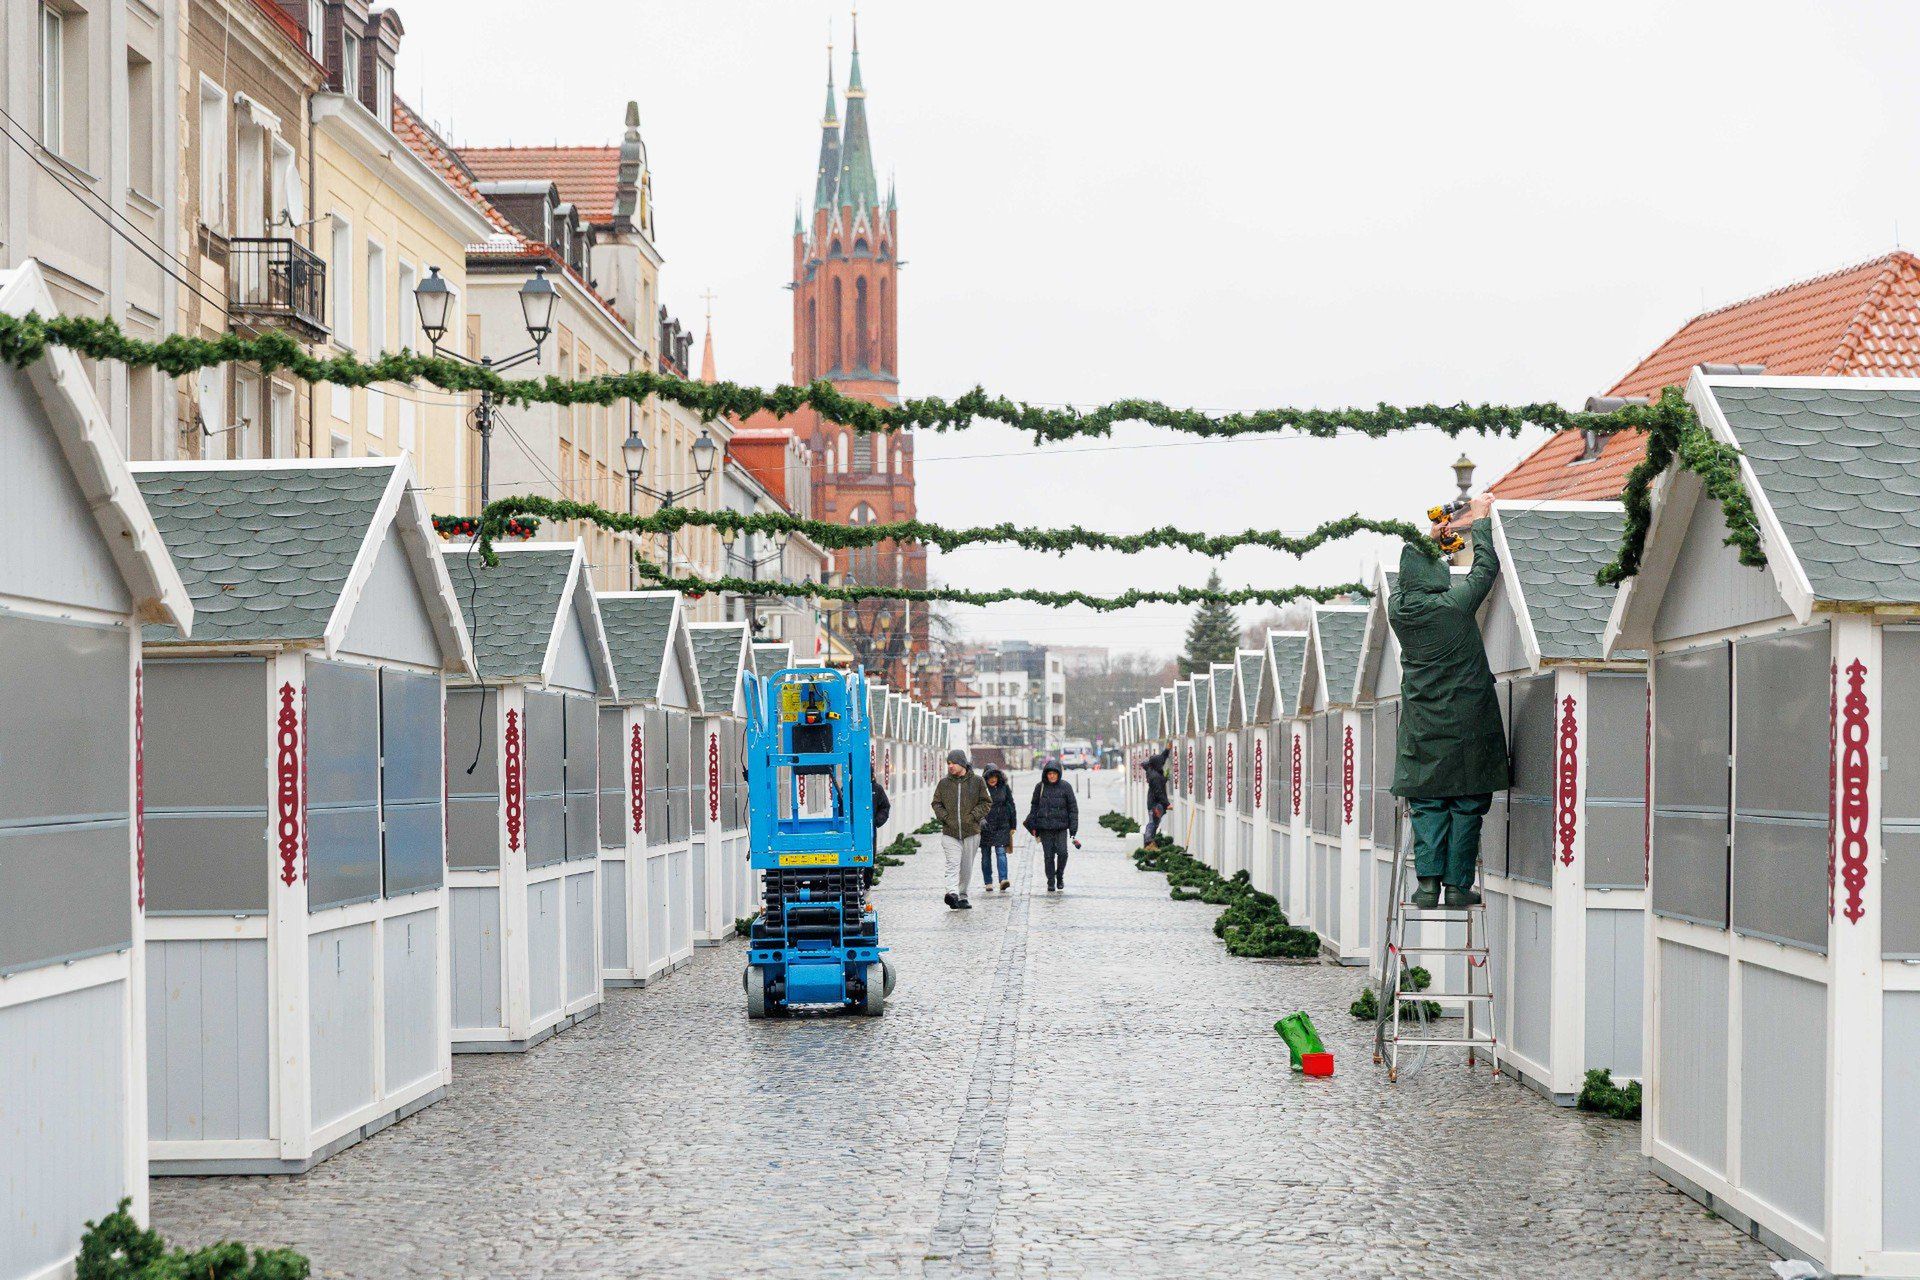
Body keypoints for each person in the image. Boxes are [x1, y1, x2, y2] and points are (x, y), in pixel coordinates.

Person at [1388, 494, 1508, 910]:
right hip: (1468, 723)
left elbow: (1408, 579)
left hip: (1422, 725)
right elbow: (1485, 569)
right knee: (1468, 803)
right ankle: (1457, 887)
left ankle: (1426, 887)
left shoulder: (1398, 611)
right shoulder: (1454, 606)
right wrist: (1482, 520)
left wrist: (1431, 540)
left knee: (1427, 803)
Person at [932, 748, 991, 910]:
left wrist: (973, 816)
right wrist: (945, 817)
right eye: (948, 763)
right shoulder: (944, 784)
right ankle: (952, 893)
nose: (950, 766)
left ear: (962, 764)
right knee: (952, 863)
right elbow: (936, 803)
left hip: (971, 832)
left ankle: (963, 896)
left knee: (966, 866)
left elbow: (986, 802)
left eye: (953, 763)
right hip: (950, 832)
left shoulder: (977, 781)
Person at [1025, 759, 1080, 892]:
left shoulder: (1066, 787)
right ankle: (1050, 880)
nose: (1052, 776)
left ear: (1058, 774)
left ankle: (1059, 875)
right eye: (1049, 773)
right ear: (1046, 774)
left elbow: (1073, 809)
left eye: (1054, 773)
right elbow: (1034, 806)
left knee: (1063, 853)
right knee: (1048, 856)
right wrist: (1033, 824)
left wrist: (1073, 829)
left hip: (1061, 828)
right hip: (1045, 828)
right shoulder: (1040, 787)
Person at [978, 766, 1017, 892]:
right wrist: (980, 820)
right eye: (990, 777)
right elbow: (976, 806)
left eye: (995, 776)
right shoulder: (981, 789)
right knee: (985, 855)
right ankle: (988, 882)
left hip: (1002, 825)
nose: (993, 779)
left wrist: (1013, 824)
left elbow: (1011, 805)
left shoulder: (1004, 788)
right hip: (985, 826)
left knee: (1001, 852)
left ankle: (1003, 880)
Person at [864, 773, 891, 891]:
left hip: (870, 829)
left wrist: (876, 821)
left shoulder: (877, 789)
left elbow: (885, 806)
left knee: (869, 856)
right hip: (851, 829)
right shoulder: (848, 787)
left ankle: (867, 883)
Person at [1142, 742, 1172, 846]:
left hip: (1154, 803)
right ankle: (1148, 840)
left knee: (1155, 822)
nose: (1162, 764)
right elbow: (1159, 793)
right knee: (1153, 822)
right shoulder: (1155, 777)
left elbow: (1162, 758)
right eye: (1161, 763)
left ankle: (1150, 841)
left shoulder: (1153, 769)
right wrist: (1167, 804)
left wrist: (1167, 750)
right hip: (1155, 804)